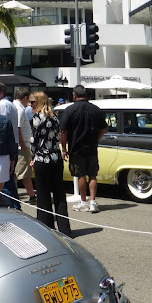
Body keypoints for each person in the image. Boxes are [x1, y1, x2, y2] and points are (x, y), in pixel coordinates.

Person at [60, 85, 107, 213]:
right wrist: (96, 139)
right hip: (92, 147)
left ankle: (83, 202)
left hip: (76, 147)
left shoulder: (70, 110)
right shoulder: (95, 109)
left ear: (74, 95)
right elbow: (103, 128)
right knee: (92, 175)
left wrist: (64, 149)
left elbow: (63, 131)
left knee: (81, 175)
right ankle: (93, 202)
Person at [29, 91, 71, 236]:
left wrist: (32, 155)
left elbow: (34, 140)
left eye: (33, 102)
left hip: (42, 158)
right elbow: (59, 137)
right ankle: (64, 228)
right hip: (56, 157)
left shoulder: (37, 118)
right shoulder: (55, 118)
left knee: (43, 194)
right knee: (59, 194)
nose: (31, 104)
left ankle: (46, 227)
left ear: (39, 102)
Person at [0, 82, 20, 209]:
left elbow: (1, 126)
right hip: (10, 144)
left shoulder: (3, 105)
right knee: (9, 181)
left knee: (5, 182)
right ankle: (15, 207)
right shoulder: (8, 104)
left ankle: (10, 208)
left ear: (0, 93)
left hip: (6, 146)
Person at [14, 88, 36, 204]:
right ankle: (14, 195)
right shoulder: (20, 109)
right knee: (20, 172)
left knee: (24, 171)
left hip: (22, 144)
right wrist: (22, 144)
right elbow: (17, 128)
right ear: (26, 97)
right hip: (22, 145)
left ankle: (31, 195)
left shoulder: (16, 107)